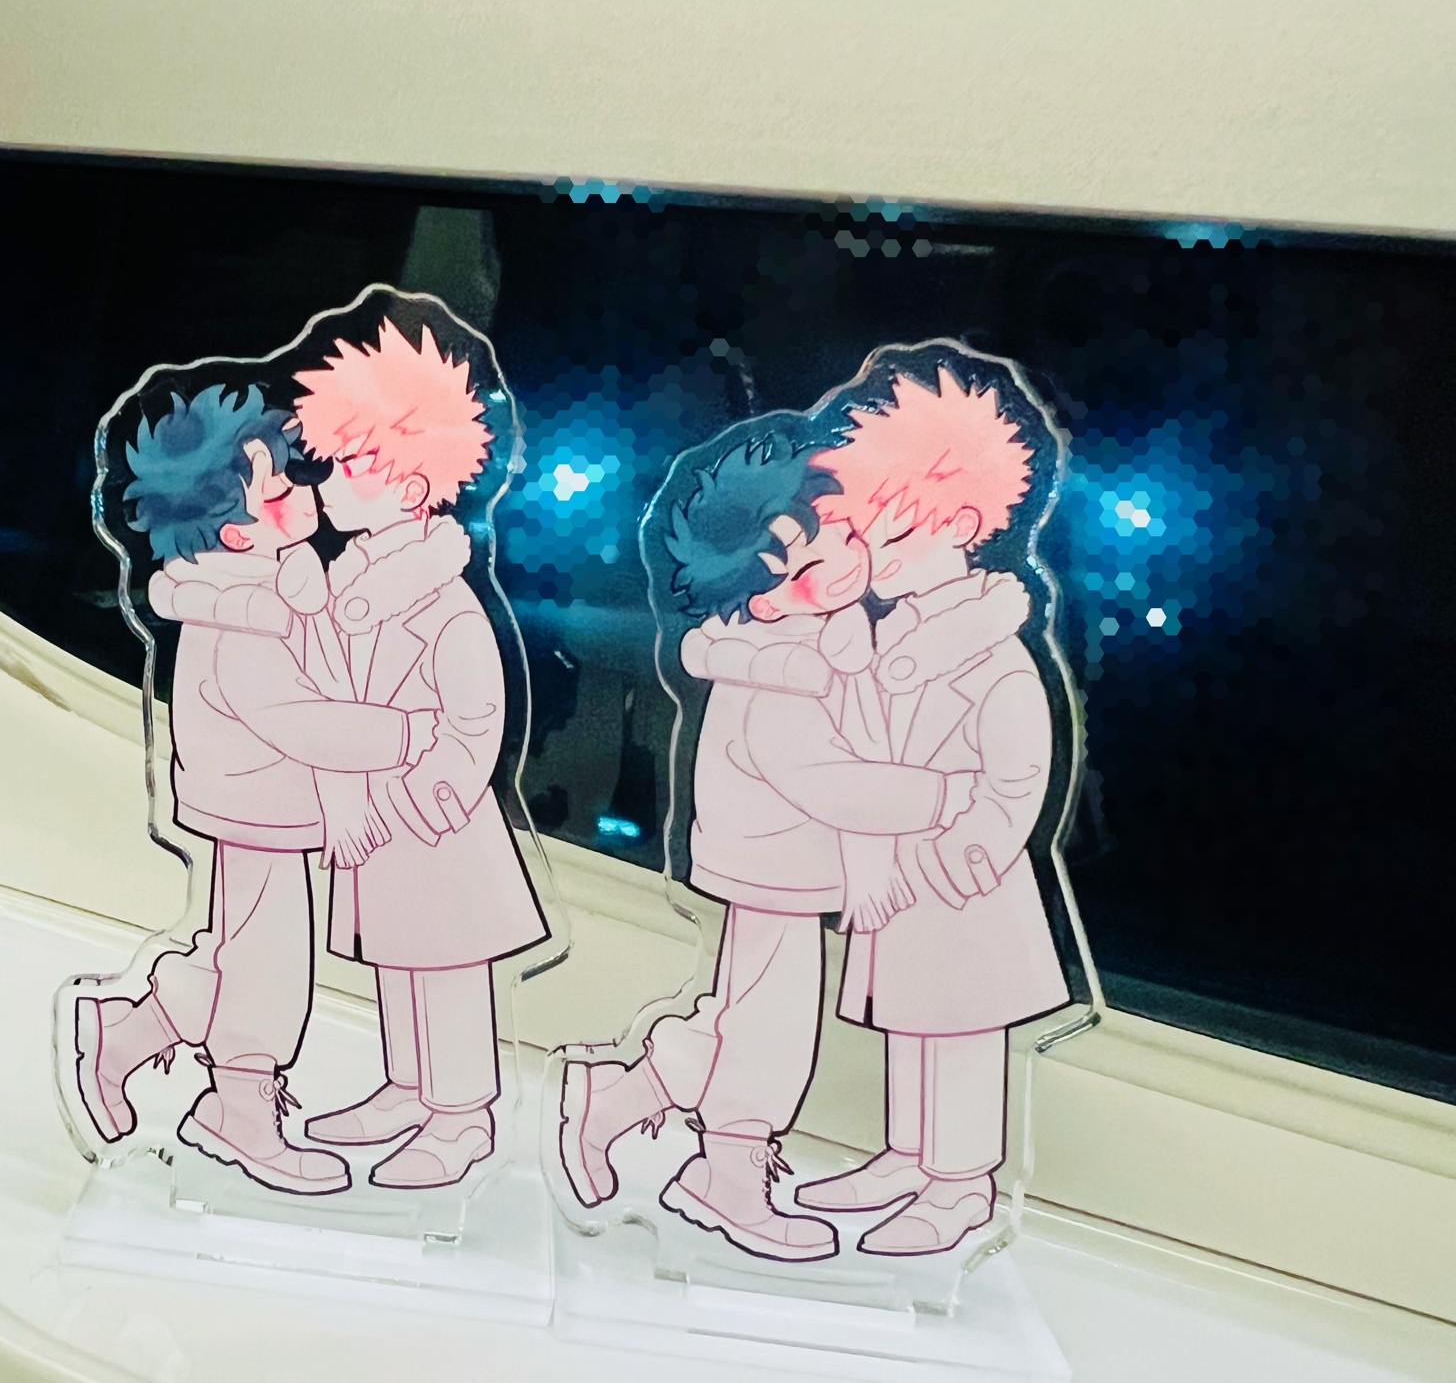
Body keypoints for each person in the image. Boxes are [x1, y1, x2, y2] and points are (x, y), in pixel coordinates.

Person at [559, 435, 1021, 1262]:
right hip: (775, 869)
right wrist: (947, 794)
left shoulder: (829, 642)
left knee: (745, 1013)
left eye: (838, 535)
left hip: (791, 869)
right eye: (797, 574)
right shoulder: (783, 673)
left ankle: (626, 1102)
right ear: (761, 603)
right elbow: (833, 784)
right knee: (768, 1024)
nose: (840, 567)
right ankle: (725, 1173)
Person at [71, 384, 436, 1196]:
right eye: (277, 491)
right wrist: (406, 735)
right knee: (268, 963)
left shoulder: (272, 589)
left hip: (264, 806)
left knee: (245, 951)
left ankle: (130, 1035)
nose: (302, 493)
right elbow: (299, 720)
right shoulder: (245, 621)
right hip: (256, 807)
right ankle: (236, 1108)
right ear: (235, 532)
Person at [794, 365, 1070, 1257]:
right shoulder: (891, 636)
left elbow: (1016, 782)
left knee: (958, 1033)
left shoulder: (994, 655)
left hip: (960, 891)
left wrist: (954, 858)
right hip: (902, 879)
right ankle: (908, 1157)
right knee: (909, 1023)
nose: (875, 549)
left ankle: (959, 1185)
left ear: (958, 523)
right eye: (869, 525)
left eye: (897, 526)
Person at [286, 316, 550, 1190]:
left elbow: (475, 727)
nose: (328, 484)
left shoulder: (443, 602)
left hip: (435, 831)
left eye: (349, 466)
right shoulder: (351, 583)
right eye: (329, 464)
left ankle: (462, 1114)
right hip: (377, 824)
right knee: (398, 961)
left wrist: (405, 804)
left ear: (410, 482)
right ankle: (409, 1086)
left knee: (445, 971)